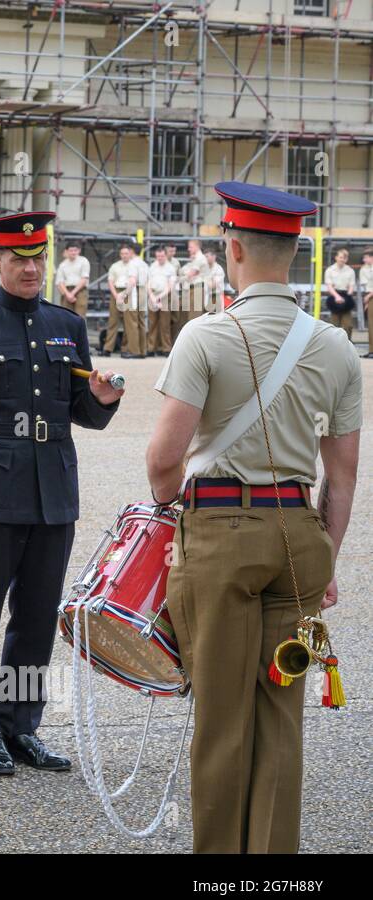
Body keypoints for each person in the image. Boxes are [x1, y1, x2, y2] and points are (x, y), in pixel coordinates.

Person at [146, 181, 361, 853]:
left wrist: (169, 511)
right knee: (281, 715)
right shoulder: (336, 347)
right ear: (296, 250)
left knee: (220, 719)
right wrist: (323, 554)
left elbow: (162, 460)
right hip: (299, 539)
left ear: (232, 249)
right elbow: (345, 476)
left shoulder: (206, 335)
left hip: (219, 535)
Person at [0, 209, 123, 775]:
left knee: (37, 615)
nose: (30, 268)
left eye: (38, 257)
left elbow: (80, 410)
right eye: (18, 258)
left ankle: (22, 725)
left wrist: (104, 397)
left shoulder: (67, 324)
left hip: (53, 489)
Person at [102, 242, 141, 357]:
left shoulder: (133, 266)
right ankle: (107, 348)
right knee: (113, 322)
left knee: (130, 323)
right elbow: (110, 282)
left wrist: (122, 295)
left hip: (128, 293)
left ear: (130, 254)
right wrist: (116, 295)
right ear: (120, 254)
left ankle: (133, 350)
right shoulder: (115, 266)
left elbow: (132, 281)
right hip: (116, 293)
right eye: (122, 253)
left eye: (126, 253)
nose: (124, 255)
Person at [146, 245, 177, 356]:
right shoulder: (152, 267)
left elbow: (170, 286)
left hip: (165, 296)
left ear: (165, 255)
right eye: (158, 256)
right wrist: (152, 296)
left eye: (162, 256)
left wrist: (159, 297)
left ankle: (166, 349)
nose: (160, 258)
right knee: (152, 323)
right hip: (153, 295)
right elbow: (148, 283)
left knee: (165, 324)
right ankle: (151, 348)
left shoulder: (170, 268)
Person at [323, 247, 357, 340]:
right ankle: (334, 345)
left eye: (345, 258)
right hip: (334, 296)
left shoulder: (350, 271)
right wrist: (337, 297)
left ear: (347, 259)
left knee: (348, 325)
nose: (343, 259)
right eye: (341, 257)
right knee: (334, 325)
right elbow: (329, 286)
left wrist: (346, 298)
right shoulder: (330, 270)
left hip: (347, 297)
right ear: (336, 257)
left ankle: (348, 344)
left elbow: (351, 286)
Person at [54, 242, 89, 317]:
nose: (73, 252)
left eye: (75, 250)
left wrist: (72, 293)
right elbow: (60, 282)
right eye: (71, 250)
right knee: (66, 315)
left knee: (80, 316)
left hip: (80, 290)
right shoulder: (62, 265)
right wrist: (67, 294)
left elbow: (84, 279)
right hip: (66, 291)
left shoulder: (83, 261)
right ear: (66, 251)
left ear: (79, 251)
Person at [360, 248, 373, 359]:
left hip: (370, 295)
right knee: (371, 324)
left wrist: (369, 296)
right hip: (369, 296)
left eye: (366, 257)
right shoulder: (365, 269)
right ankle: (371, 350)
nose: (364, 260)